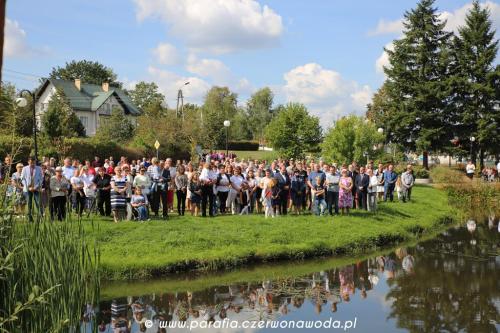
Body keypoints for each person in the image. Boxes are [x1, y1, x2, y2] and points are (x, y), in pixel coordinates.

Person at [21, 157, 43, 222]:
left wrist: (35, 187)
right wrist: (28, 187)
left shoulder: (39, 168)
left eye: (33, 163)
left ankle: (40, 218)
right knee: (29, 203)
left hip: (36, 188)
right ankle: (29, 218)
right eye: (31, 163)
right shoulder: (24, 168)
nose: (32, 164)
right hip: (27, 189)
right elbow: (22, 178)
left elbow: (41, 179)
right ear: (28, 162)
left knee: (38, 203)